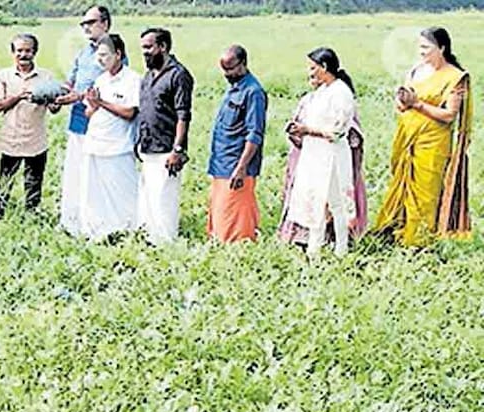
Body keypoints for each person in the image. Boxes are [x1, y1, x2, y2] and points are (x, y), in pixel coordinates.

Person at [373, 27, 473, 245]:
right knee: (402, 184)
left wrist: (417, 104)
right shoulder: (416, 70)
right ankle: (396, 231)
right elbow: (402, 106)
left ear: (442, 48)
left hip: (433, 142)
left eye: (426, 48)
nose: (421, 52)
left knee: (426, 192)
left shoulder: (454, 77)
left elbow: (448, 116)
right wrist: (402, 101)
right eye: (419, 47)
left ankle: (419, 242)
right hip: (407, 136)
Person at [281, 48, 362, 257]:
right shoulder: (322, 92)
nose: (310, 72)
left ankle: (341, 248)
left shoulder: (341, 92)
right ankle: (314, 248)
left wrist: (308, 130)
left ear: (324, 67)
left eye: (313, 67)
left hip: (332, 155)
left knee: (336, 204)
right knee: (314, 201)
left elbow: (337, 131)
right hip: (314, 154)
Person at [67, 33, 140, 241]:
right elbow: (90, 112)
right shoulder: (100, 79)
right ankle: (97, 229)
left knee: (124, 190)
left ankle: (128, 228)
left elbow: (129, 113)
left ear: (118, 54)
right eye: (98, 55)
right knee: (94, 191)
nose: (100, 59)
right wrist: (92, 104)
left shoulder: (132, 79)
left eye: (105, 55)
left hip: (119, 146)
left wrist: (102, 103)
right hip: (95, 142)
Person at [56, 6, 114, 227]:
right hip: (77, 119)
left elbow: (109, 87)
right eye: (84, 24)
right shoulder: (84, 52)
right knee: (76, 170)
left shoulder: (113, 51)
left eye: (91, 22)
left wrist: (76, 97)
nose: (86, 27)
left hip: (100, 121)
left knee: (96, 173)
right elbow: (70, 81)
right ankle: (73, 219)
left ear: (105, 24)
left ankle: (97, 221)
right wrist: (55, 94)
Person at [136, 28, 193, 245]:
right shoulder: (148, 75)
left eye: (149, 47)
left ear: (163, 47)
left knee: (164, 198)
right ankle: (151, 239)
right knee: (149, 197)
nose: (145, 52)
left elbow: (183, 115)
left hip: (167, 148)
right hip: (148, 145)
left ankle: (166, 242)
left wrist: (177, 150)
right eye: (143, 48)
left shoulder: (178, 75)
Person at [0, 33, 59, 216]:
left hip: (36, 140)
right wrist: (20, 96)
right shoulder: (3, 75)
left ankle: (31, 217)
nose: (24, 54)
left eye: (28, 50)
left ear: (35, 52)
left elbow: (54, 107)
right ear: (13, 52)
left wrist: (47, 100)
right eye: (19, 50)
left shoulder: (46, 76)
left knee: (34, 183)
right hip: (10, 139)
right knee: (5, 182)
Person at [207, 45, 267, 243]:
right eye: (224, 69)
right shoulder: (234, 88)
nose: (227, 74)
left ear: (243, 64)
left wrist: (241, 168)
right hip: (221, 164)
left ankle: (240, 253)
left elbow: (254, 134)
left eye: (231, 69)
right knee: (220, 214)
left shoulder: (253, 92)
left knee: (237, 219)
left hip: (237, 166)